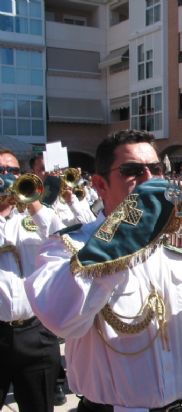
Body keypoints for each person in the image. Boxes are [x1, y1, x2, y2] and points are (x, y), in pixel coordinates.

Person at [25, 130, 182, 412]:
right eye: (133, 171)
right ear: (100, 185)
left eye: (156, 169)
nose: (150, 179)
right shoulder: (69, 245)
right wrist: (127, 233)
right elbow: (59, 319)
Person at [0, 149, 65, 412]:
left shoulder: (32, 217)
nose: (7, 176)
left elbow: (59, 236)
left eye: (13, 171)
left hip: (34, 333)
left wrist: (32, 200)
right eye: (1, 171)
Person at [30, 154, 96, 226]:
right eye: (43, 169)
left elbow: (90, 223)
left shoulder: (76, 194)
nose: (50, 173)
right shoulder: (33, 199)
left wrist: (71, 202)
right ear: (34, 173)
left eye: (53, 168)